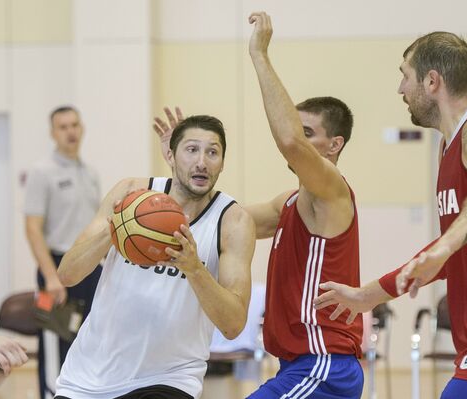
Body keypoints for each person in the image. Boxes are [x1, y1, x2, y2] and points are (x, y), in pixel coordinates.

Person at [314, 31, 467, 399]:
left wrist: (443, 248)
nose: (400, 89)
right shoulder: (447, 146)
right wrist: (369, 296)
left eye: (405, 75)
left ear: (432, 81)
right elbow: (453, 247)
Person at [153, 12, 364, 399]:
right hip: (300, 365)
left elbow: (288, 142)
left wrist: (260, 56)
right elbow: (216, 219)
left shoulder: (332, 190)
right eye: (298, 130)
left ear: (334, 145)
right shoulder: (289, 202)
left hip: (323, 365)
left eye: (308, 133)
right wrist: (181, 165)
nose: (298, 140)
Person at [53, 115, 255, 399]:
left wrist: (194, 269)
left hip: (169, 379)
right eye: (192, 149)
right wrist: (114, 229)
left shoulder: (233, 221)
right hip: (89, 376)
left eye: (212, 152)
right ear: (170, 155)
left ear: (222, 163)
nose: (202, 161)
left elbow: (233, 325)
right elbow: (67, 274)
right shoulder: (131, 192)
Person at [24, 106, 101, 399]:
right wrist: (50, 277)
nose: (70, 131)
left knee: (88, 339)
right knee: (54, 343)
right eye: (63, 126)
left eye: (74, 125)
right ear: (52, 133)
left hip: (91, 267)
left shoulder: (90, 172)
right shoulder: (42, 172)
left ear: (82, 128)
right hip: (55, 269)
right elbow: (32, 228)